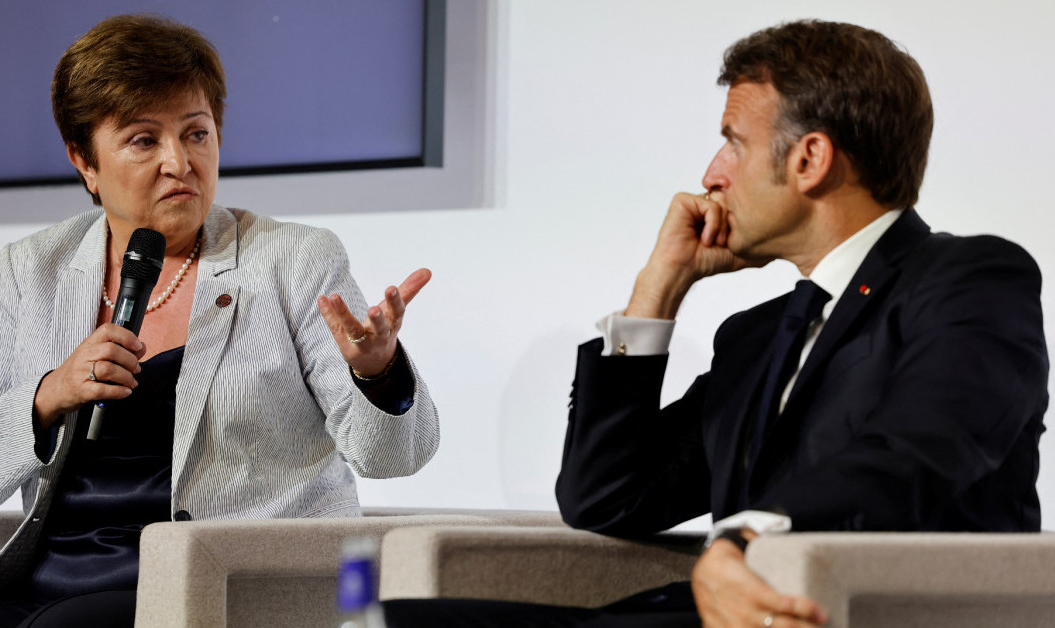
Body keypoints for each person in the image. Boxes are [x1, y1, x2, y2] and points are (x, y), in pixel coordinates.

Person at [383, 19, 1047, 628]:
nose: (709, 175)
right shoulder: (758, 336)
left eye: (732, 141)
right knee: (385, 622)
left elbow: (920, 451)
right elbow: (607, 499)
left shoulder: (970, 279)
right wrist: (657, 290)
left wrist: (747, 536)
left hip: (854, 616)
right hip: (694, 615)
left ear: (808, 159)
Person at [0, 14, 439, 628]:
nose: (179, 161)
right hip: (56, 581)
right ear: (85, 162)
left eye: (196, 133)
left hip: (218, 585)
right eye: (144, 140)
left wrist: (377, 373)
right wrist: (49, 394)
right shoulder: (35, 269)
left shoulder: (293, 260)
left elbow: (395, 455)